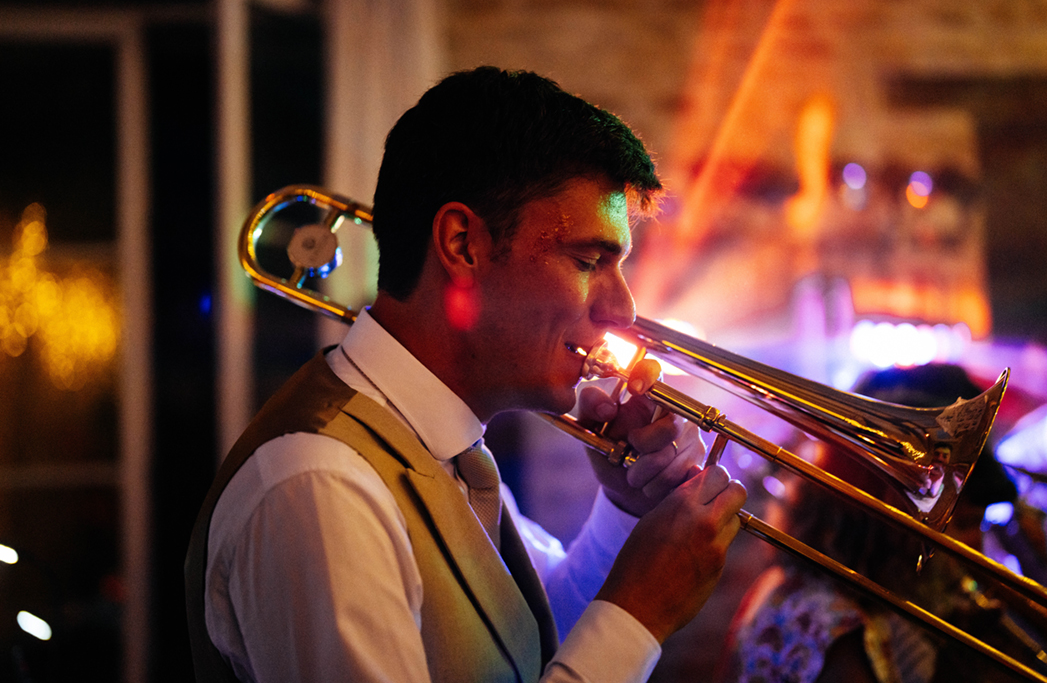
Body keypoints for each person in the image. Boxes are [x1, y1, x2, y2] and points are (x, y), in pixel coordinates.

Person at [185, 66, 747, 683]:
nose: (623, 311)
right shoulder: (319, 485)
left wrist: (623, 509)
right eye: (588, 261)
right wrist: (637, 616)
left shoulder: (444, 447)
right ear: (462, 244)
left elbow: (526, 640)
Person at [727, 363, 1019, 683]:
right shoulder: (832, 625)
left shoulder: (839, 595)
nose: (977, 545)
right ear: (895, 513)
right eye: (961, 523)